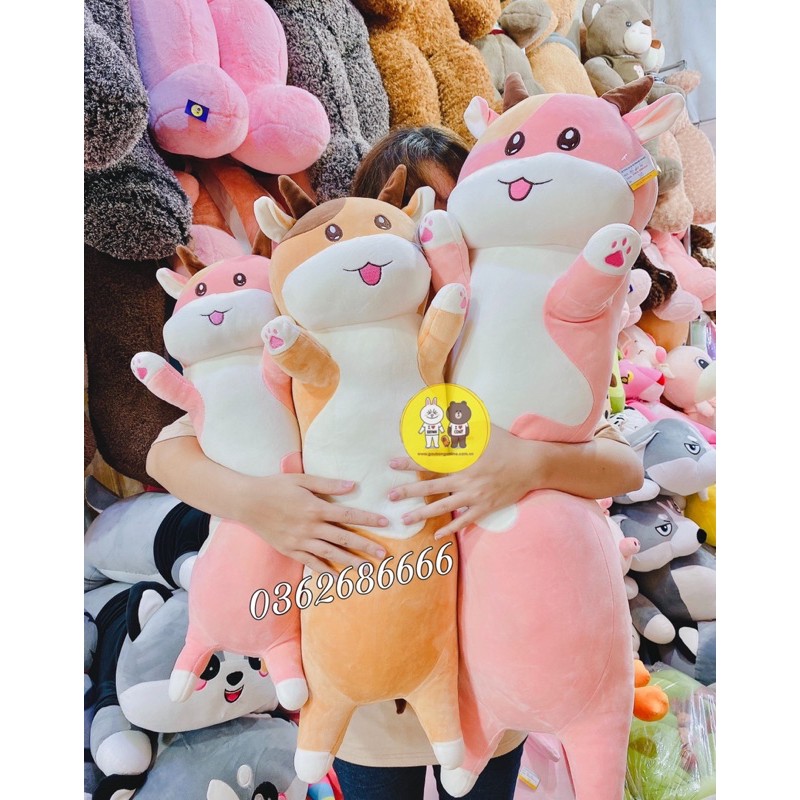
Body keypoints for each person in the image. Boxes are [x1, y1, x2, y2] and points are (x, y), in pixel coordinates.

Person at [146, 124, 644, 800]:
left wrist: (531, 464)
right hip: (367, 680)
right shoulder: (321, 340)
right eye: (417, 227)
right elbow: (168, 451)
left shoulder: (502, 326)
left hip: (491, 674)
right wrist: (257, 504)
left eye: (451, 220)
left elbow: (622, 464)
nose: (434, 244)